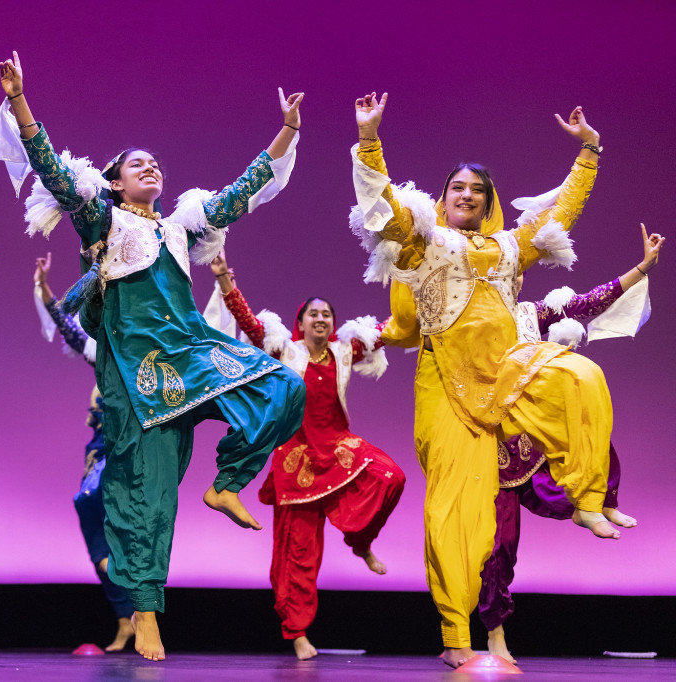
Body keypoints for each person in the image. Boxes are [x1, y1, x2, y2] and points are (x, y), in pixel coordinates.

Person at [0, 52, 306, 660]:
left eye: (156, 163)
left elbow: (241, 193)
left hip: (192, 353)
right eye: (138, 163)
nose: (151, 167)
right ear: (114, 180)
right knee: (146, 500)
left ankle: (227, 482)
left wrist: (288, 131)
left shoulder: (179, 227)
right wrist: (19, 101)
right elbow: (54, 172)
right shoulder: (100, 218)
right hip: (141, 378)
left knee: (285, 389)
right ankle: (145, 612)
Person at [352, 93, 613, 667]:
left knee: (580, 378)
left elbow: (560, 214)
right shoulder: (423, 241)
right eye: (456, 188)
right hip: (445, 386)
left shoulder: (509, 247)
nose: (465, 194)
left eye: (476, 189)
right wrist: (370, 138)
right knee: (456, 510)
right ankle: (456, 638)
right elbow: (385, 206)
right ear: (442, 200)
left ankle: (587, 495)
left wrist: (589, 151)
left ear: (488, 201)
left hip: (506, 374)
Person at [209, 249, 405, 660]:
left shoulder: (345, 351)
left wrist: (418, 287)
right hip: (296, 458)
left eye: (327, 315)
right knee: (299, 553)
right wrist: (226, 278)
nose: (320, 319)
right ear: (300, 323)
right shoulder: (286, 351)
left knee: (391, 476)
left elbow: (390, 329)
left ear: (333, 324)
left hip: (337, 449)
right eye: (313, 314)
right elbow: (252, 325)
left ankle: (361, 541)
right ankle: (297, 632)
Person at [480, 224, 662, 663]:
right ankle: (495, 633)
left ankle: (593, 502)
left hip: (534, 432)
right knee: (499, 546)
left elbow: (587, 302)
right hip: (490, 436)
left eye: (515, 270)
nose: (511, 276)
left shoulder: (530, 313)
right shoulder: (466, 318)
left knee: (586, 384)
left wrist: (642, 268)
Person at [33, 252, 135, 652]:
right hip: (98, 449)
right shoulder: (98, 348)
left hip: (126, 447)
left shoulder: (144, 351)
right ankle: (124, 618)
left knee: (113, 521)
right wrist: (44, 291)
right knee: (91, 517)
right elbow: (67, 326)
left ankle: (139, 616)